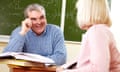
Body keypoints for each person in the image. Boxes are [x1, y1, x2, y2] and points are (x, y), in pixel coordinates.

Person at [57, 0, 120, 71]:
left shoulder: (96, 31)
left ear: (85, 11)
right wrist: (66, 67)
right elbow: (88, 61)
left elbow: (99, 69)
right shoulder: (102, 30)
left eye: (79, 9)